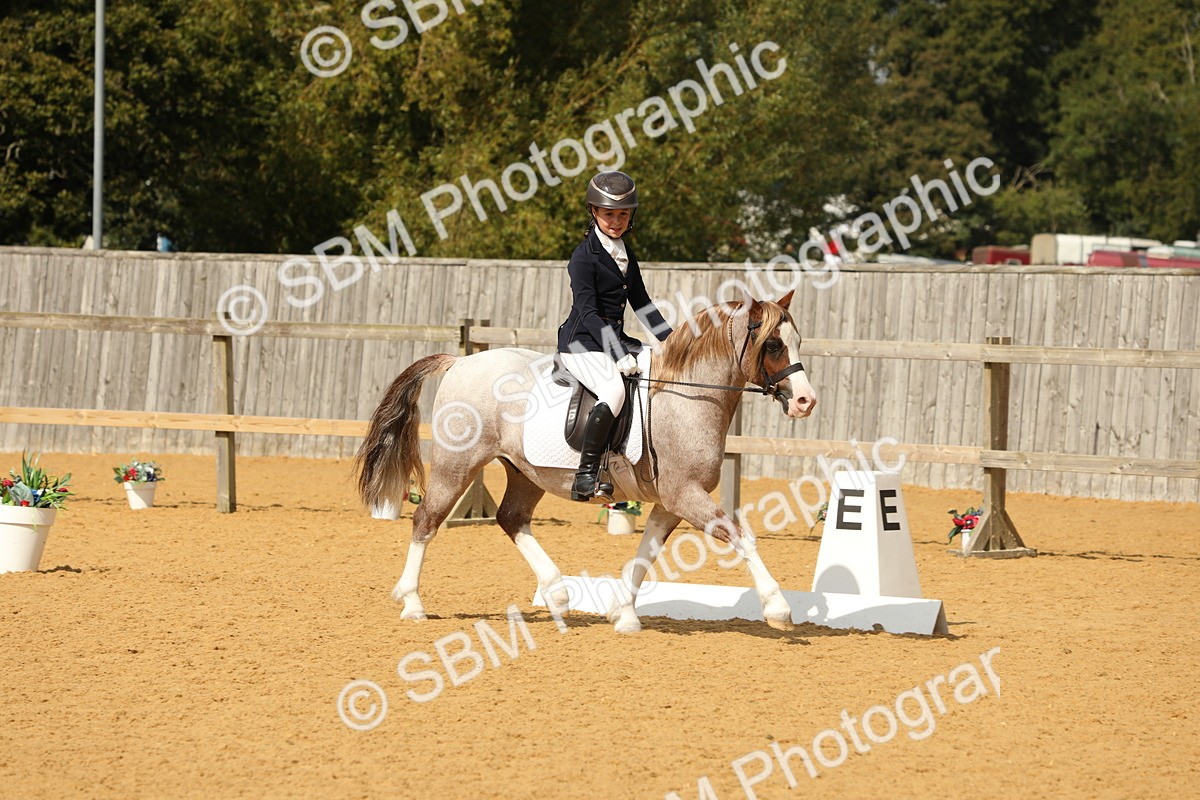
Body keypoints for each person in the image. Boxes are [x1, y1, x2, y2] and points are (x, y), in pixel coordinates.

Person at [556, 171, 673, 501]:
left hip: (613, 342)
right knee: (613, 389)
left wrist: (674, 341)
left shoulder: (625, 253)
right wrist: (616, 351)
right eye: (609, 214)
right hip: (581, 344)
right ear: (593, 211)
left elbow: (643, 304)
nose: (617, 221)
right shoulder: (583, 258)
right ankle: (586, 473)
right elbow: (589, 313)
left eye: (623, 214)